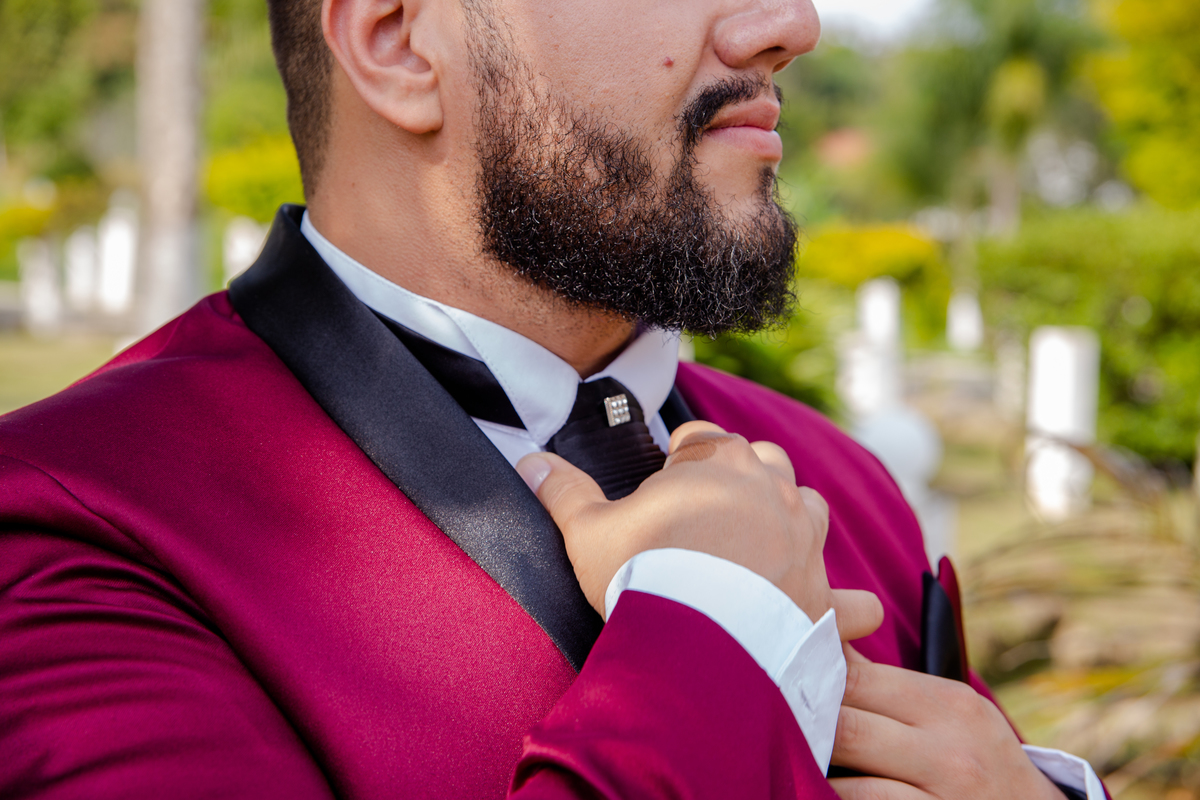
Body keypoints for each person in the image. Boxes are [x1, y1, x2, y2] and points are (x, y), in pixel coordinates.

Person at [0, 0, 1106, 798]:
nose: (791, 25)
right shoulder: (67, 527)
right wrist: (718, 625)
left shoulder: (842, 478)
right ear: (396, 43)